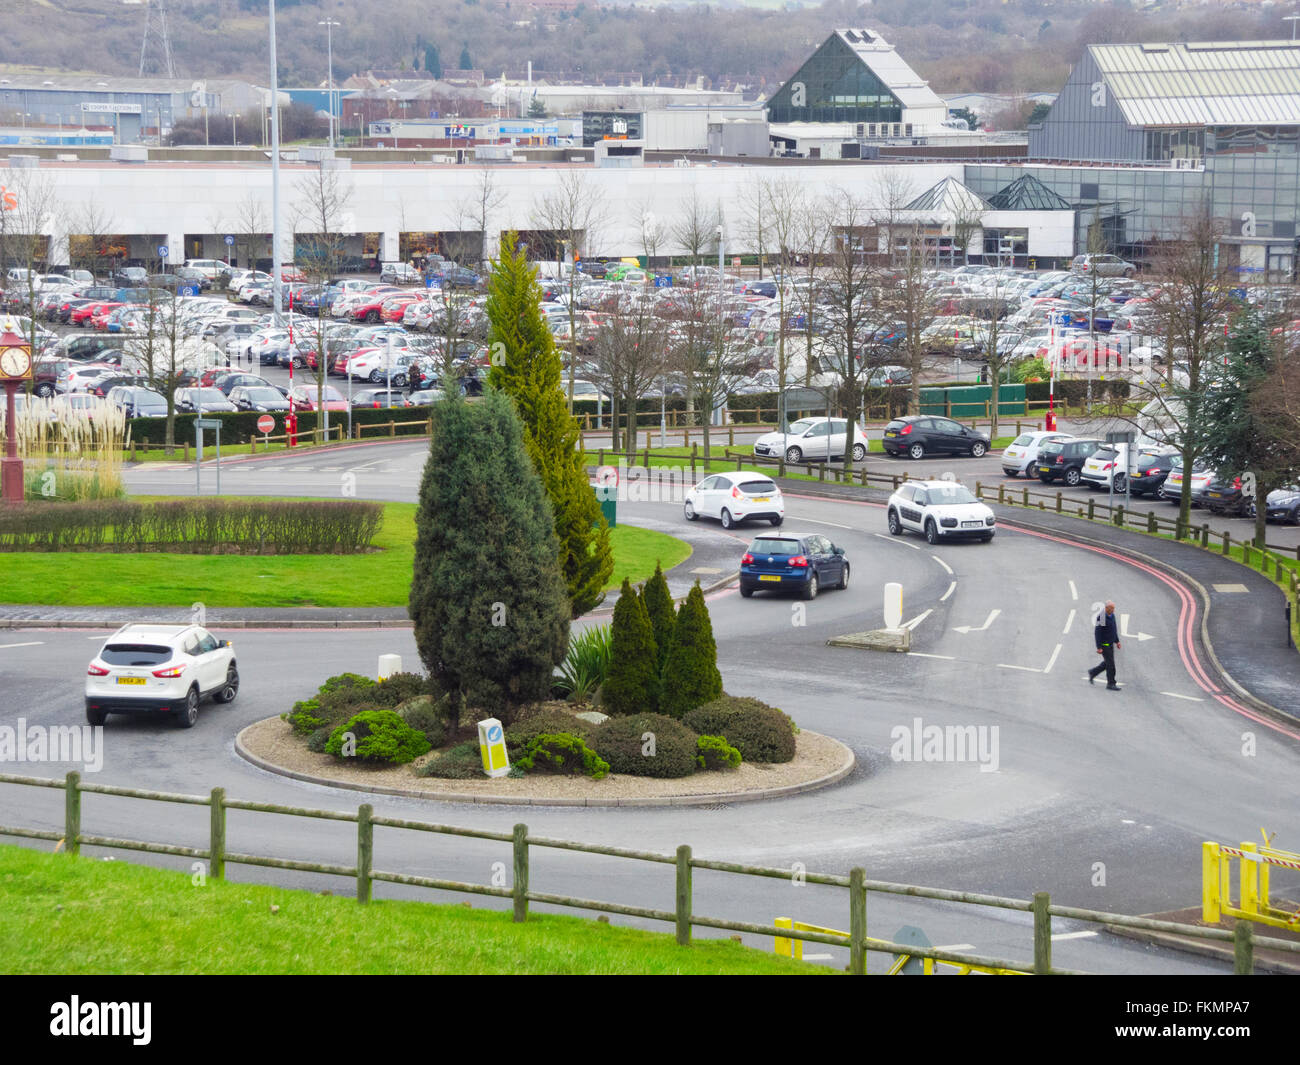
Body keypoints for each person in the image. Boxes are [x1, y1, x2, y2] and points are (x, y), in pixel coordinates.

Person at [1088, 601, 1121, 690]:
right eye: (1112, 608)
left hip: (1110, 643)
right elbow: (1097, 632)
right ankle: (1111, 683)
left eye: (1114, 608)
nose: (1113, 610)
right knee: (1111, 665)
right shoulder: (1102, 617)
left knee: (1108, 663)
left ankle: (1093, 672)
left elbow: (1114, 629)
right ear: (1107, 608)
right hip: (1104, 644)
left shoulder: (1112, 615)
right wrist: (1099, 647)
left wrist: (1117, 641)